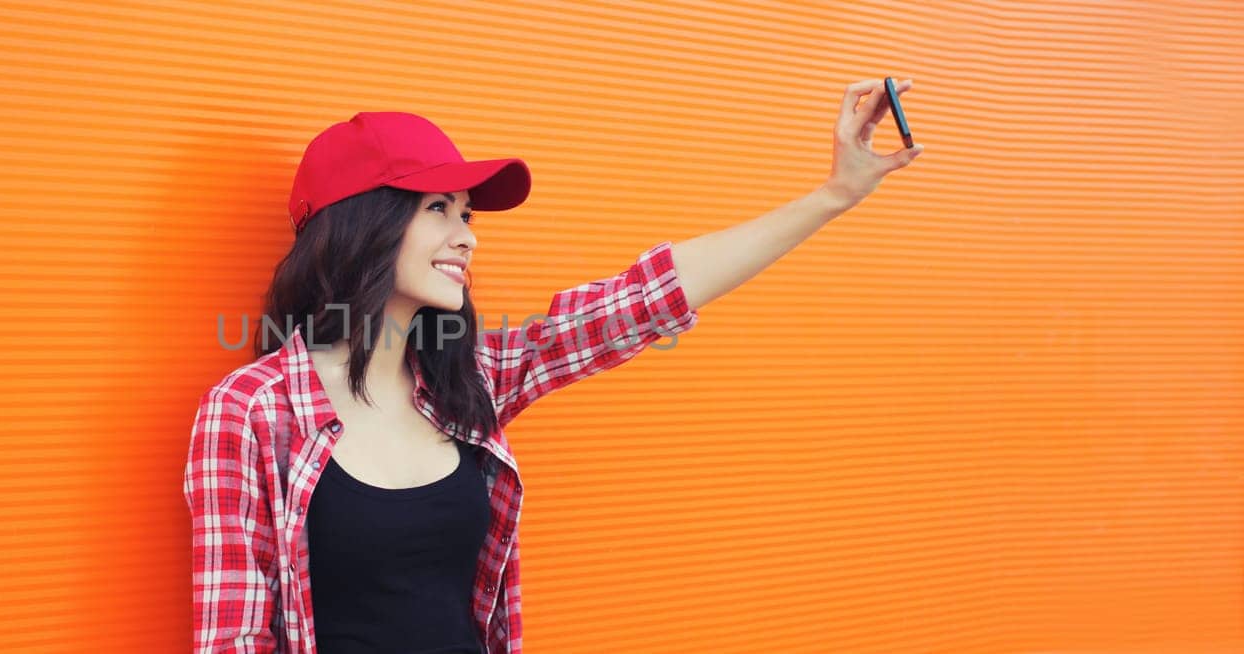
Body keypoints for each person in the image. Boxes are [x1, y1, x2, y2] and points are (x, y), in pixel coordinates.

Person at [186, 78, 923, 654]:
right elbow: (235, 637)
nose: (466, 238)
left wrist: (834, 195)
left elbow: (645, 299)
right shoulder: (252, 411)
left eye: (467, 215)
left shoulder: (466, 382)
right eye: (439, 208)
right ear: (362, 224)